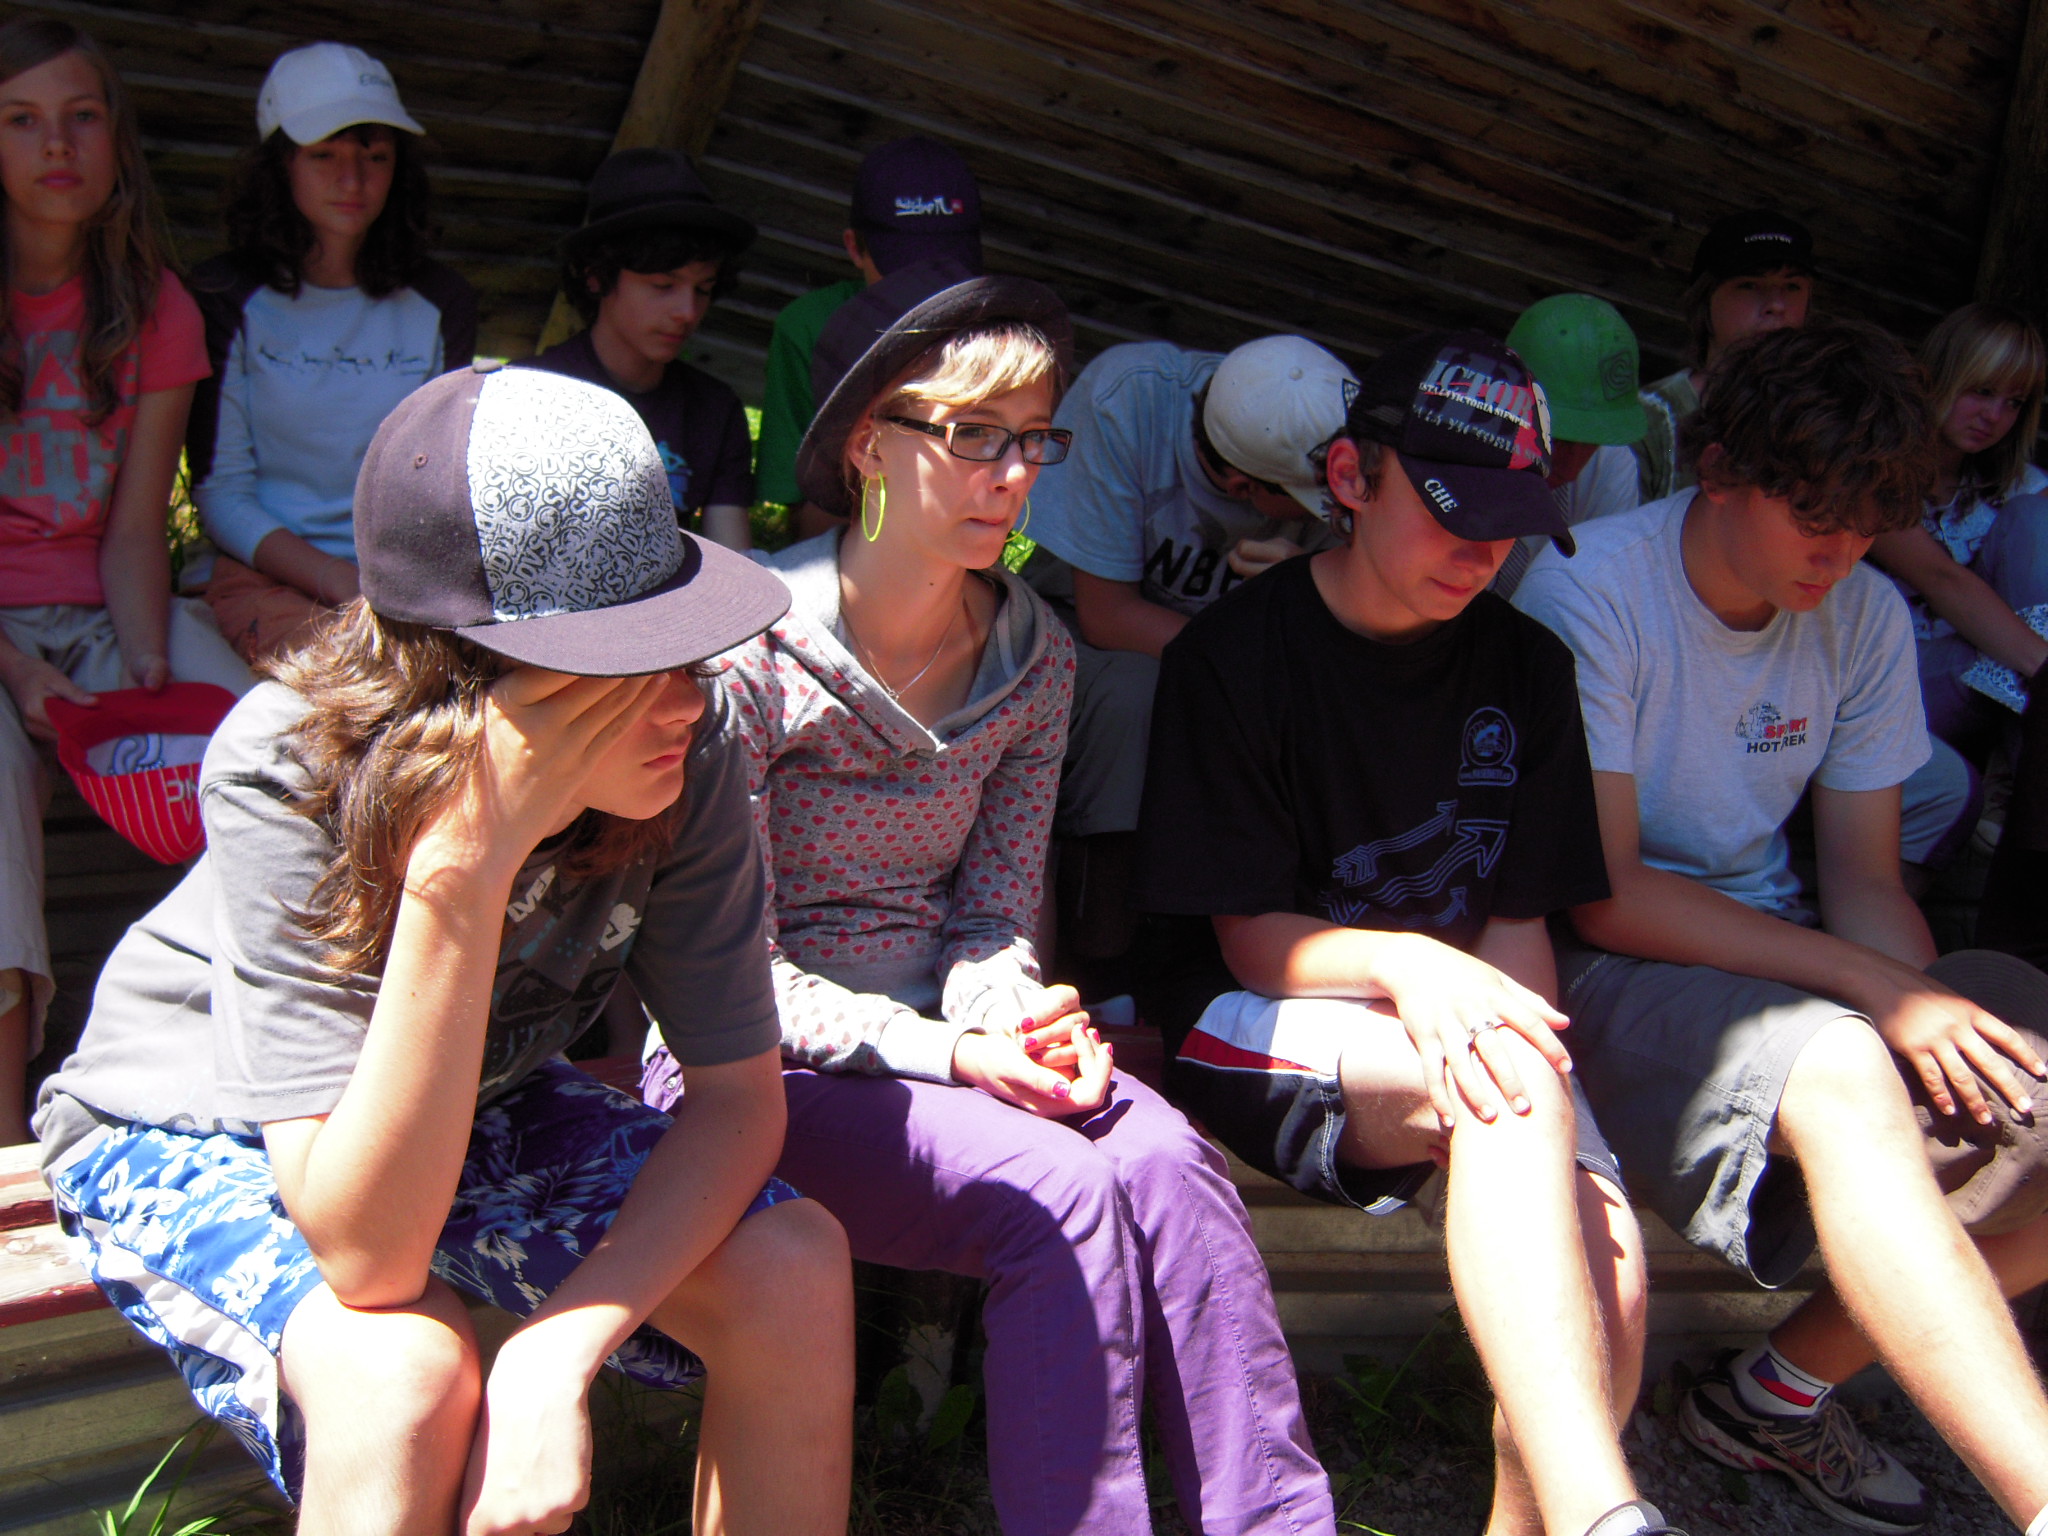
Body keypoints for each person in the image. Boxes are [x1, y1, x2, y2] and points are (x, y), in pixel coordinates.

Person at [35, 364, 854, 1536]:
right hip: (197, 1111)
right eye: (629, 660)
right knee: (402, 1379)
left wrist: (555, 1352)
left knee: (792, 1266)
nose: (687, 698)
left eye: (683, 643)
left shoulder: (688, 740)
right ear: (464, 678)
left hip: (474, 1095)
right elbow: (368, 1257)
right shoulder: (289, 768)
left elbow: (735, 1102)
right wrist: (465, 864)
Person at [643, 272, 1334, 1536]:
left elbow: (992, 920)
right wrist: (953, 1053)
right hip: (745, 1069)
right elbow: (720, 972)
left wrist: (1019, 1021)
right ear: (867, 444)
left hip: (945, 1046)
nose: (1012, 476)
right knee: (1054, 1191)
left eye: (1031, 440)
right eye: (972, 436)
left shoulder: (1037, 658)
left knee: (1169, 1164)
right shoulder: (747, 654)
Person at [1140, 331, 1680, 1536]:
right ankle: (1610, 1515)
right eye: (1452, 513)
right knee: (1502, 1101)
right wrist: (1409, 966)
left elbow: (1518, 923)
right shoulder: (1234, 657)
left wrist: (1556, 1115)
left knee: (1608, 1279)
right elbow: (1249, 943)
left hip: (1465, 1017)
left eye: (1509, 522)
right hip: (1259, 1010)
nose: (1481, 551)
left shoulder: (1525, 665)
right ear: (1349, 478)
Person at [1514, 320, 2048, 1535]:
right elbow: (1605, 893)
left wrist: (1925, 1019)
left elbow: (1861, 876)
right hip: (1610, 966)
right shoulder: (1589, 588)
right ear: (1718, 470)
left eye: (1867, 523)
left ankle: (1775, 1392)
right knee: (1848, 1056)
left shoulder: (1860, 611)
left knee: (2019, 1069)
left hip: (1786, 948)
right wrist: (1876, 995)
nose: (1838, 551)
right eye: (1812, 514)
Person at [0, 18, 252, 1146]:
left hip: (105, 603)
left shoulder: (156, 306)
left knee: (260, 740)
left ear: (116, 140)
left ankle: (245, 1068)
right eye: (21, 120)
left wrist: (147, 662)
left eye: (80, 116)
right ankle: (7, 1140)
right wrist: (21, 675)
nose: (56, 144)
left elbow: (136, 530)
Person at [1024, 334, 1354, 960]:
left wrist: (1301, 595)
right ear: (1241, 485)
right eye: (1306, 502)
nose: (1327, 514)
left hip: (1249, 650)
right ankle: (1104, 961)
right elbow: (1109, 617)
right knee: (1136, 699)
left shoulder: (1320, 425)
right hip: (1088, 630)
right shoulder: (1129, 400)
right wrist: (1247, 655)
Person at [186, 41, 477, 667]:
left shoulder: (441, 301)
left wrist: (397, 590)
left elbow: (440, 482)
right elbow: (220, 492)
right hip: (264, 576)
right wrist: (339, 582)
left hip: (402, 583)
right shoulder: (223, 296)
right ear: (279, 165)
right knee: (348, 681)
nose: (354, 180)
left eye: (376, 156)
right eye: (325, 155)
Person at [528, 148, 756, 551]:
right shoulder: (527, 396)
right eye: (663, 286)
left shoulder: (713, 410)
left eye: (703, 289)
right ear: (596, 276)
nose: (687, 312)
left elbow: (735, 559)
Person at [755, 134, 982, 534]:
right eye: (902, 269)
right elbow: (803, 513)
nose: (921, 287)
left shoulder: (992, 327)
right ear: (854, 248)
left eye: (942, 268)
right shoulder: (810, 327)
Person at [1867, 302, 2048, 758]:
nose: (1994, 415)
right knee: (1993, 665)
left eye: (2014, 402)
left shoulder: (2020, 485)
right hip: (1893, 688)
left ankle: (2019, 778)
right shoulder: (1873, 469)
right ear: (1939, 374)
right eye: (1982, 391)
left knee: (2034, 518)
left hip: (1999, 688)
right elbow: (1940, 578)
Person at [1633, 210, 1812, 505]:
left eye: (1792, 286)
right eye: (1749, 285)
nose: (1776, 305)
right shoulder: (1651, 419)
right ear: (1705, 299)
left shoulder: (1828, 414)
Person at [1491, 292, 1646, 599]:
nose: (1572, 465)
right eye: (1556, 435)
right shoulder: (1463, 442)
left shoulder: (1613, 465)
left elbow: (1597, 590)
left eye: (1592, 439)